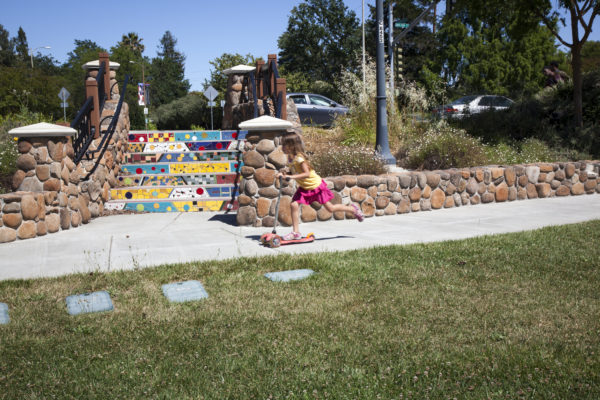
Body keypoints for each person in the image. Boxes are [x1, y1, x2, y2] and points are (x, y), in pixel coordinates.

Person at [276, 132, 364, 240]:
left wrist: (291, 177)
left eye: (284, 145)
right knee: (294, 205)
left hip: (316, 186)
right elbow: (294, 171)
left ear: (291, 145)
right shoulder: (290, 158)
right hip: (305, 187)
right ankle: (296, 232)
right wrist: (285, 174)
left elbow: (307, 173)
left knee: (330, 208)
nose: (282, 147)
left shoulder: (300, 158)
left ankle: (353, 210)